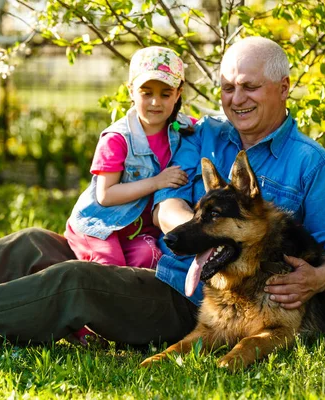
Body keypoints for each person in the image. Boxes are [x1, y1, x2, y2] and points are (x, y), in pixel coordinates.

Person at [0, 36, 325, 352]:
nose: (236, 98)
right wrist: (180, 223)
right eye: (228, 86)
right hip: (164, 258)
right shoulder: (205, 135)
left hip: (196, 302)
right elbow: (167, 196)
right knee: (34, 241)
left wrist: (317, 278)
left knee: (75, 282)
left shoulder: (314, 166)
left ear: (283, 88)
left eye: (250, 87)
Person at [64, 46, 194, 343]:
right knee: (108, 272)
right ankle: (85, 329)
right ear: (130, 91)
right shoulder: (117, 139)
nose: (155, 102)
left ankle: (127, 322)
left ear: (178, 93)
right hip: (99, 225)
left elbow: (209, 126)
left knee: (151, 258)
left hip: (133, 229)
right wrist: (157, 181)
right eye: (146, 92)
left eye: (165, 93)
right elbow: (106, 195)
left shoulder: (181, 128)